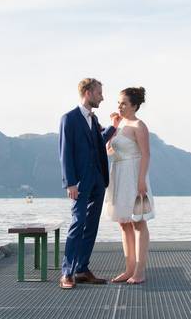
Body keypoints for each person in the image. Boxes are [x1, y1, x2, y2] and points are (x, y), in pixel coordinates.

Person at [58, 78, 118, 289]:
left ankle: (82, 269)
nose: (102, 97)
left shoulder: (94, 119)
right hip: (80, 182)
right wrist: (70, 183)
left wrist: (112, 128)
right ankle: (67, 272)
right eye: (99, 93)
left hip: (97, 180)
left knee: (91, 225)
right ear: (88, 92)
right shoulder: (69, 119)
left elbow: (98, 144)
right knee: (78, 222)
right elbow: (65, 153)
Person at [104, 86, 154, 284]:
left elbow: (146, 154)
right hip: (118, 173)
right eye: (118, 103)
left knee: (138, 222)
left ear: (134, 105)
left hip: (134, 174)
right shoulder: (120, 124)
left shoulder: (139, 126)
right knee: (123, 223)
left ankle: (140, 272)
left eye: (124, 103)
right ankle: (129, 269)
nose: (120, 106)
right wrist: (113, 126)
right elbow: (109, 151)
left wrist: (141, 180)